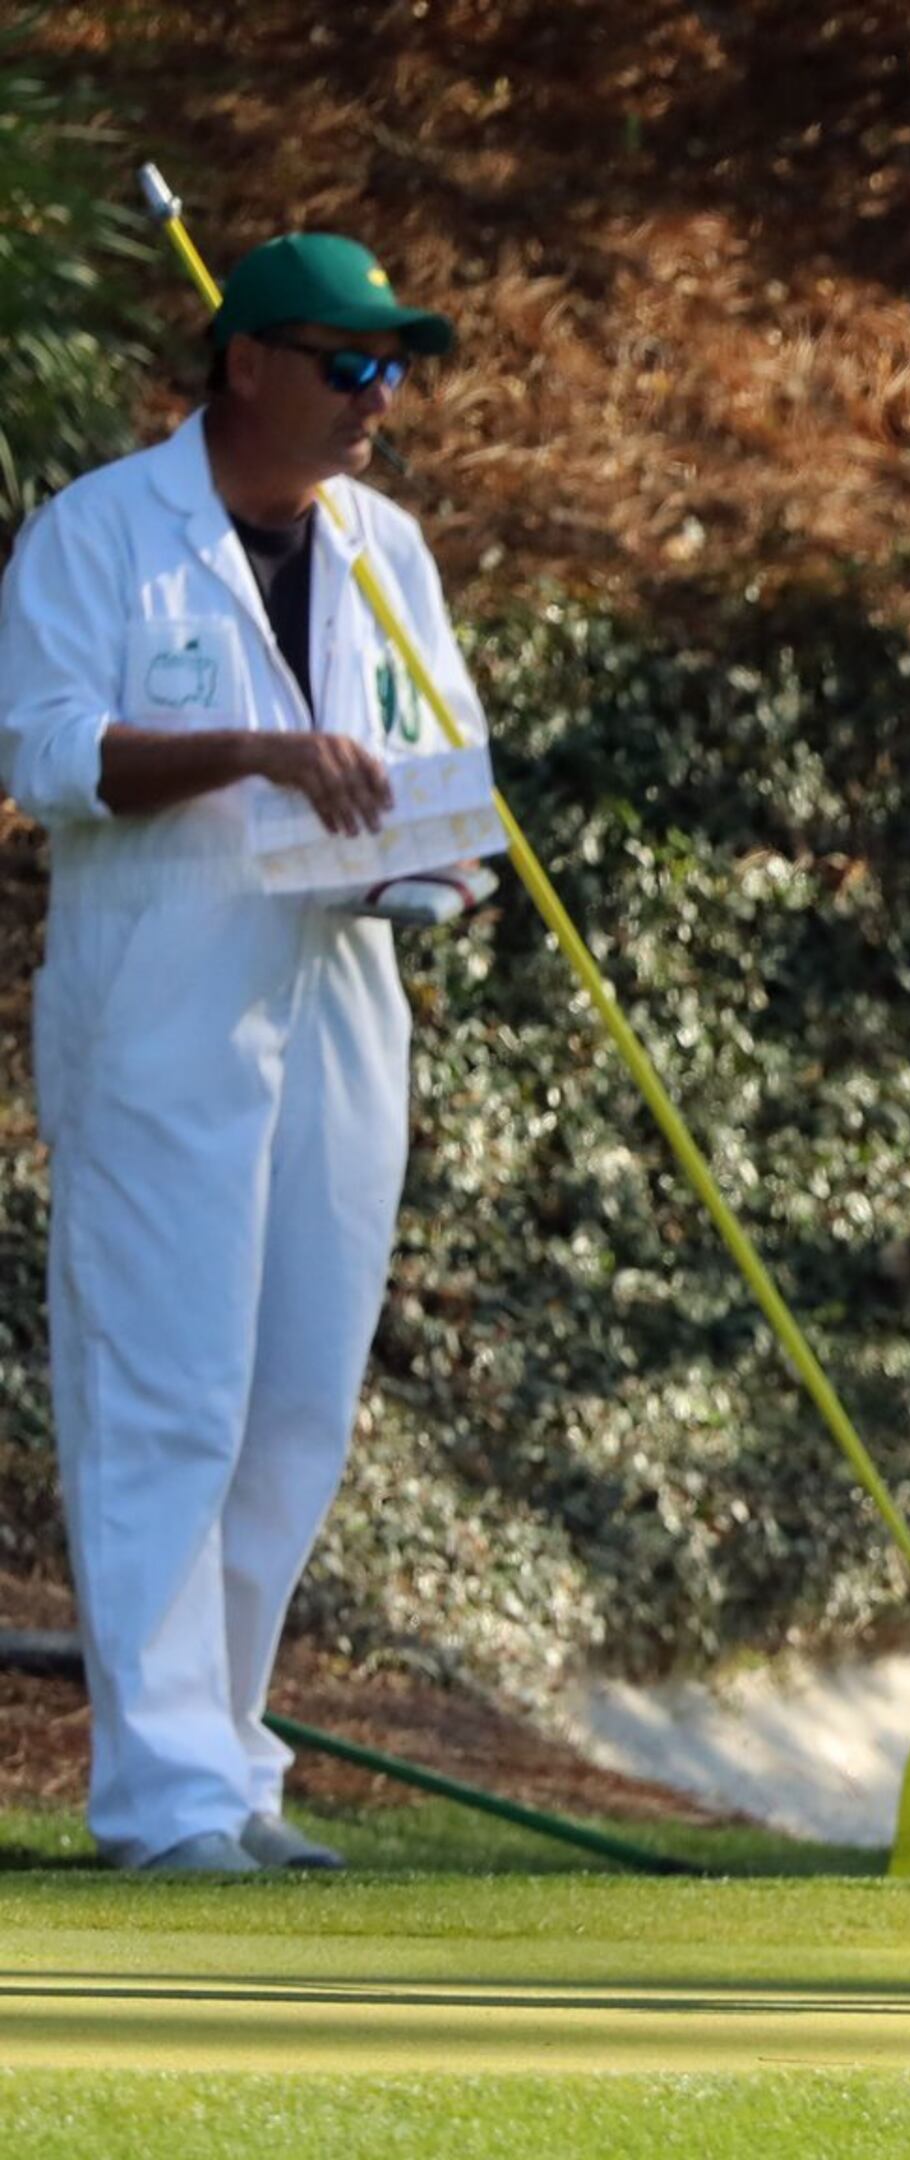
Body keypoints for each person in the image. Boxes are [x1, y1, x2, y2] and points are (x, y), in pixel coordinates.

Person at [0, 232, 487, 1874]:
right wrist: (258, 756)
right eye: (346, 365)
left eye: (393, 367)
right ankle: (161, 1799)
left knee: (295, 1407)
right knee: (165, 1399)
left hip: (345, 990)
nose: (376, 397)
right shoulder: (102, 536)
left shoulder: (386, 545)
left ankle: (235, 1771)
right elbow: (51, 756)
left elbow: (438, 756)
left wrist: (436, 851)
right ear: (247, 365)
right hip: (163, 1011)